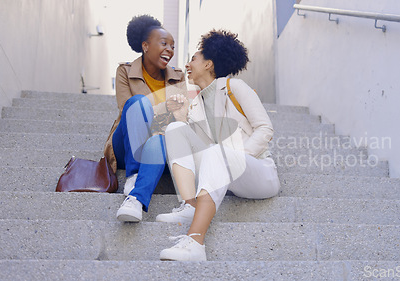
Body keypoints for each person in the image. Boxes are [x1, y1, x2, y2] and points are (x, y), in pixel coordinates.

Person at [157, 30, 280, 261]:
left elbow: (265, 129)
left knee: (218, 153)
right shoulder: (198, 103)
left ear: (209, 64)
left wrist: (237, 156)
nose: (187, 64)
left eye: (193, 58)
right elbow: (197, 148)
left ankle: (195, 243)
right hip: (224, 172)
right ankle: (190, 204)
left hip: (258, 171)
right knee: (175, 130)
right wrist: (182, 116)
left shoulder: (235, 87)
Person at [102, 15, 187, 222]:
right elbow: (127, 110)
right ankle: (133, 174)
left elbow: (182, 115)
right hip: (127, 143)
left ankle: (136, 198)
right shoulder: (125, 71)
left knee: (158, 139)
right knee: (138, 102)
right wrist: (165, 107)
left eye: (173, 46)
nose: (170, 49)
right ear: (146, 45)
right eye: (164, 43)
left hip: (159, 145)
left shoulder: (178, 77)